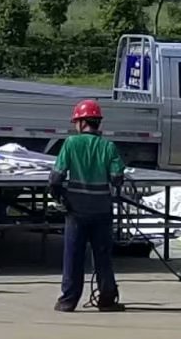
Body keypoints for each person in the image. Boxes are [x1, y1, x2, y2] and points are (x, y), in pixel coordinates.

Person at [53, 98, 127, 312]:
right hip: (102, 210)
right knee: (103, 256)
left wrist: (60, 197)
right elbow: (117, 178)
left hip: (76, 211)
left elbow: (55, 179)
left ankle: (68, 301)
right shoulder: (108, 146)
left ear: (82, 122)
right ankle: (107, 298)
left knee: (73, 257)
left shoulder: (71, 144)